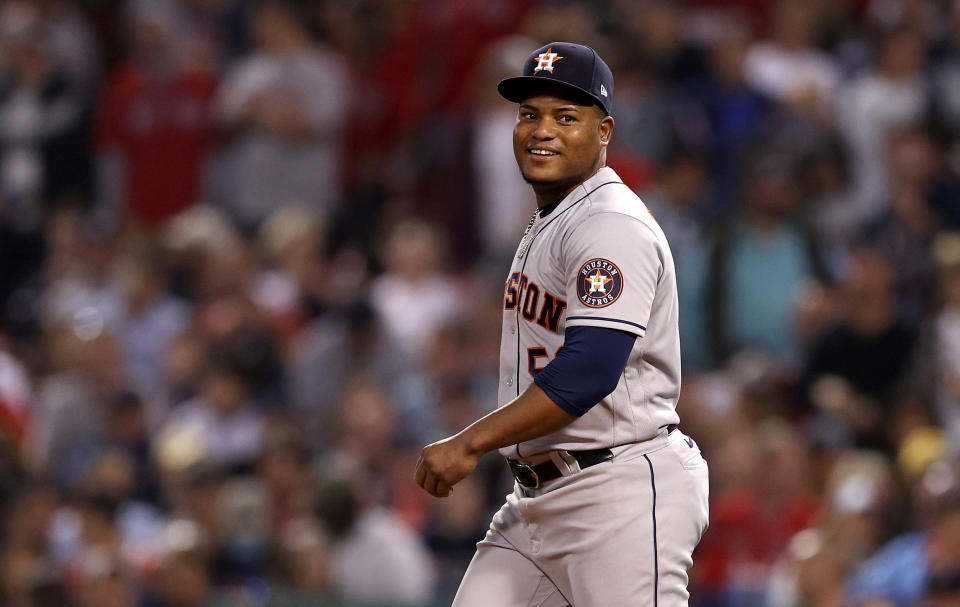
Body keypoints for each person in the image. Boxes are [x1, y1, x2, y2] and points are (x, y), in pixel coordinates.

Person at [415, 42, 709, 606]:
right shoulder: (559, 213)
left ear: (604, 132)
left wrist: (469, 442)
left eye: (565, 117)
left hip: (616, 490)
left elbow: (588, 371)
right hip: (536, 504)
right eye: (530, 115)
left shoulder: (609, 223)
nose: (541, 130)